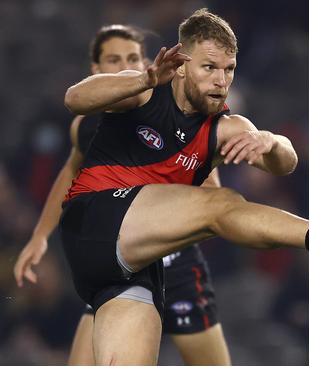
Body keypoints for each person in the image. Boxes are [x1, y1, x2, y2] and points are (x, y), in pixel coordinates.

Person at [57, 8, 309, 365]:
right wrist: (143, 78)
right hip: (94, 215)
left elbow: (287, 162)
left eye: (229, 70)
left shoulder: (224, 128)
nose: (220, 80)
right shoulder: (146, 91)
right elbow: (74, 99)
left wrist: (270, 141)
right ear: (180, 65)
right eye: (209, 67)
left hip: (129, 269)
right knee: (220, 203)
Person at [13, 24, 232, 366]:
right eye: (113, 60)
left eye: (132, 58)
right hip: (117, 267)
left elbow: (211, 194)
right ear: (96, 70)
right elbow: (72, 172)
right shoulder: (86, 125)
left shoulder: (174, 115)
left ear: (147, 62)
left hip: (175, 269)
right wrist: (41, 236)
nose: (123, 66)